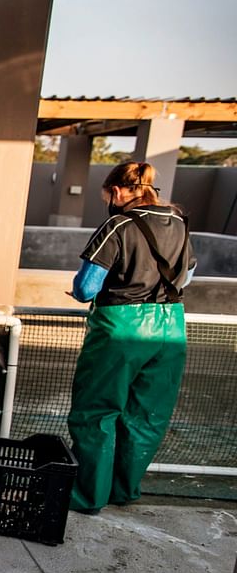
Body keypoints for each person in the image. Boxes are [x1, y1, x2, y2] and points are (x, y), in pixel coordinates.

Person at [66, 161, 195, 515]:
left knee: (96, 412)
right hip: (170, 325)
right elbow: (187, 278)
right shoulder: (180, 224)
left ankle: (89, 495)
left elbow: (86, 287)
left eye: (107, 194)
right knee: (147, 414)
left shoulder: (118, 225)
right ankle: (124, 490)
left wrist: (81, 293)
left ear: (119, 191)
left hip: (122, 327)